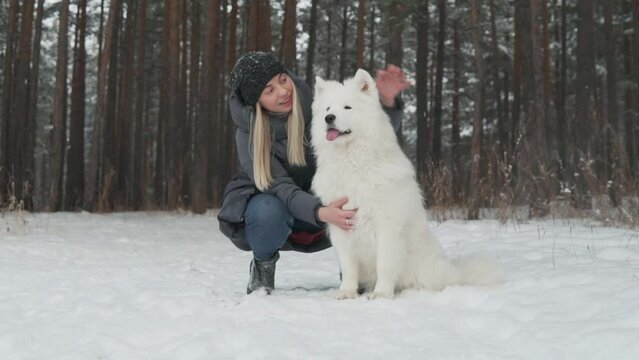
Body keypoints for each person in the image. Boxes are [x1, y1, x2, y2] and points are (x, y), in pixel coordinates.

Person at [217, 51, 411, 294]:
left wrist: (389, 102)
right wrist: (320, 212)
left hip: (326, 201)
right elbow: (279, 187)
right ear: (256, 101)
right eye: (269, 90)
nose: (283, 91)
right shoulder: (248, 134)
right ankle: (263, 265)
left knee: (362, 193)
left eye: (282, 79)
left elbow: (369, 134)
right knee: (265, 209)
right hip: (281, 210)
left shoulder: (317, 103)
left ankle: (357, 268)